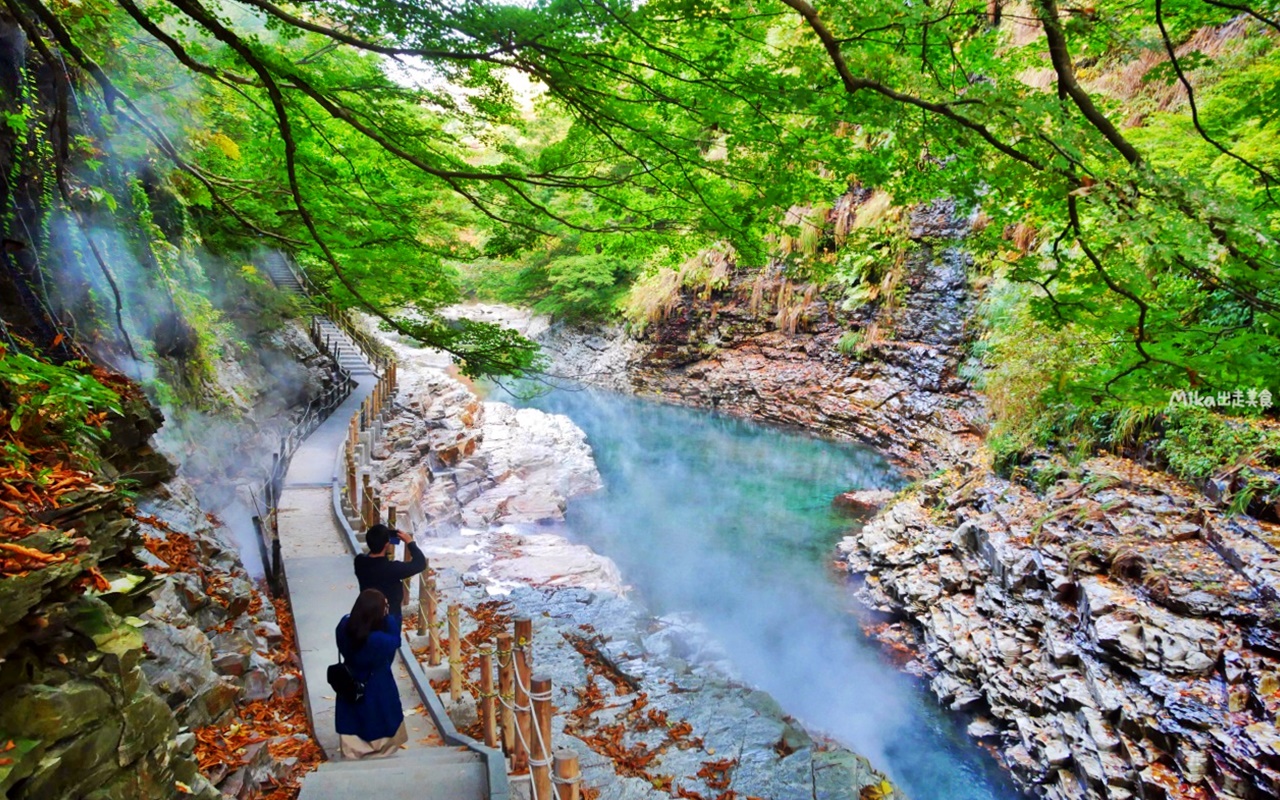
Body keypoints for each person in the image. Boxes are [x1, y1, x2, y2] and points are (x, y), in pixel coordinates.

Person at [334, 588, 406, 758]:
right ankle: (380, 748)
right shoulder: (379, 640)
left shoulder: (343, 626)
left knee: (352, 716)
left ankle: (354, 748)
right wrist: (389, 617)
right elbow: (396, 640)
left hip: (350, 679)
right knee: (380, 715)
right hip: (378, 682)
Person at [354, 523, 426, 623]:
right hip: (389, 617)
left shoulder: (359, 562)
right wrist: (410, 542)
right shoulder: (392, 569)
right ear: (387, 544)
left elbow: (371, 558)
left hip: (366, 612)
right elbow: (420, 563)